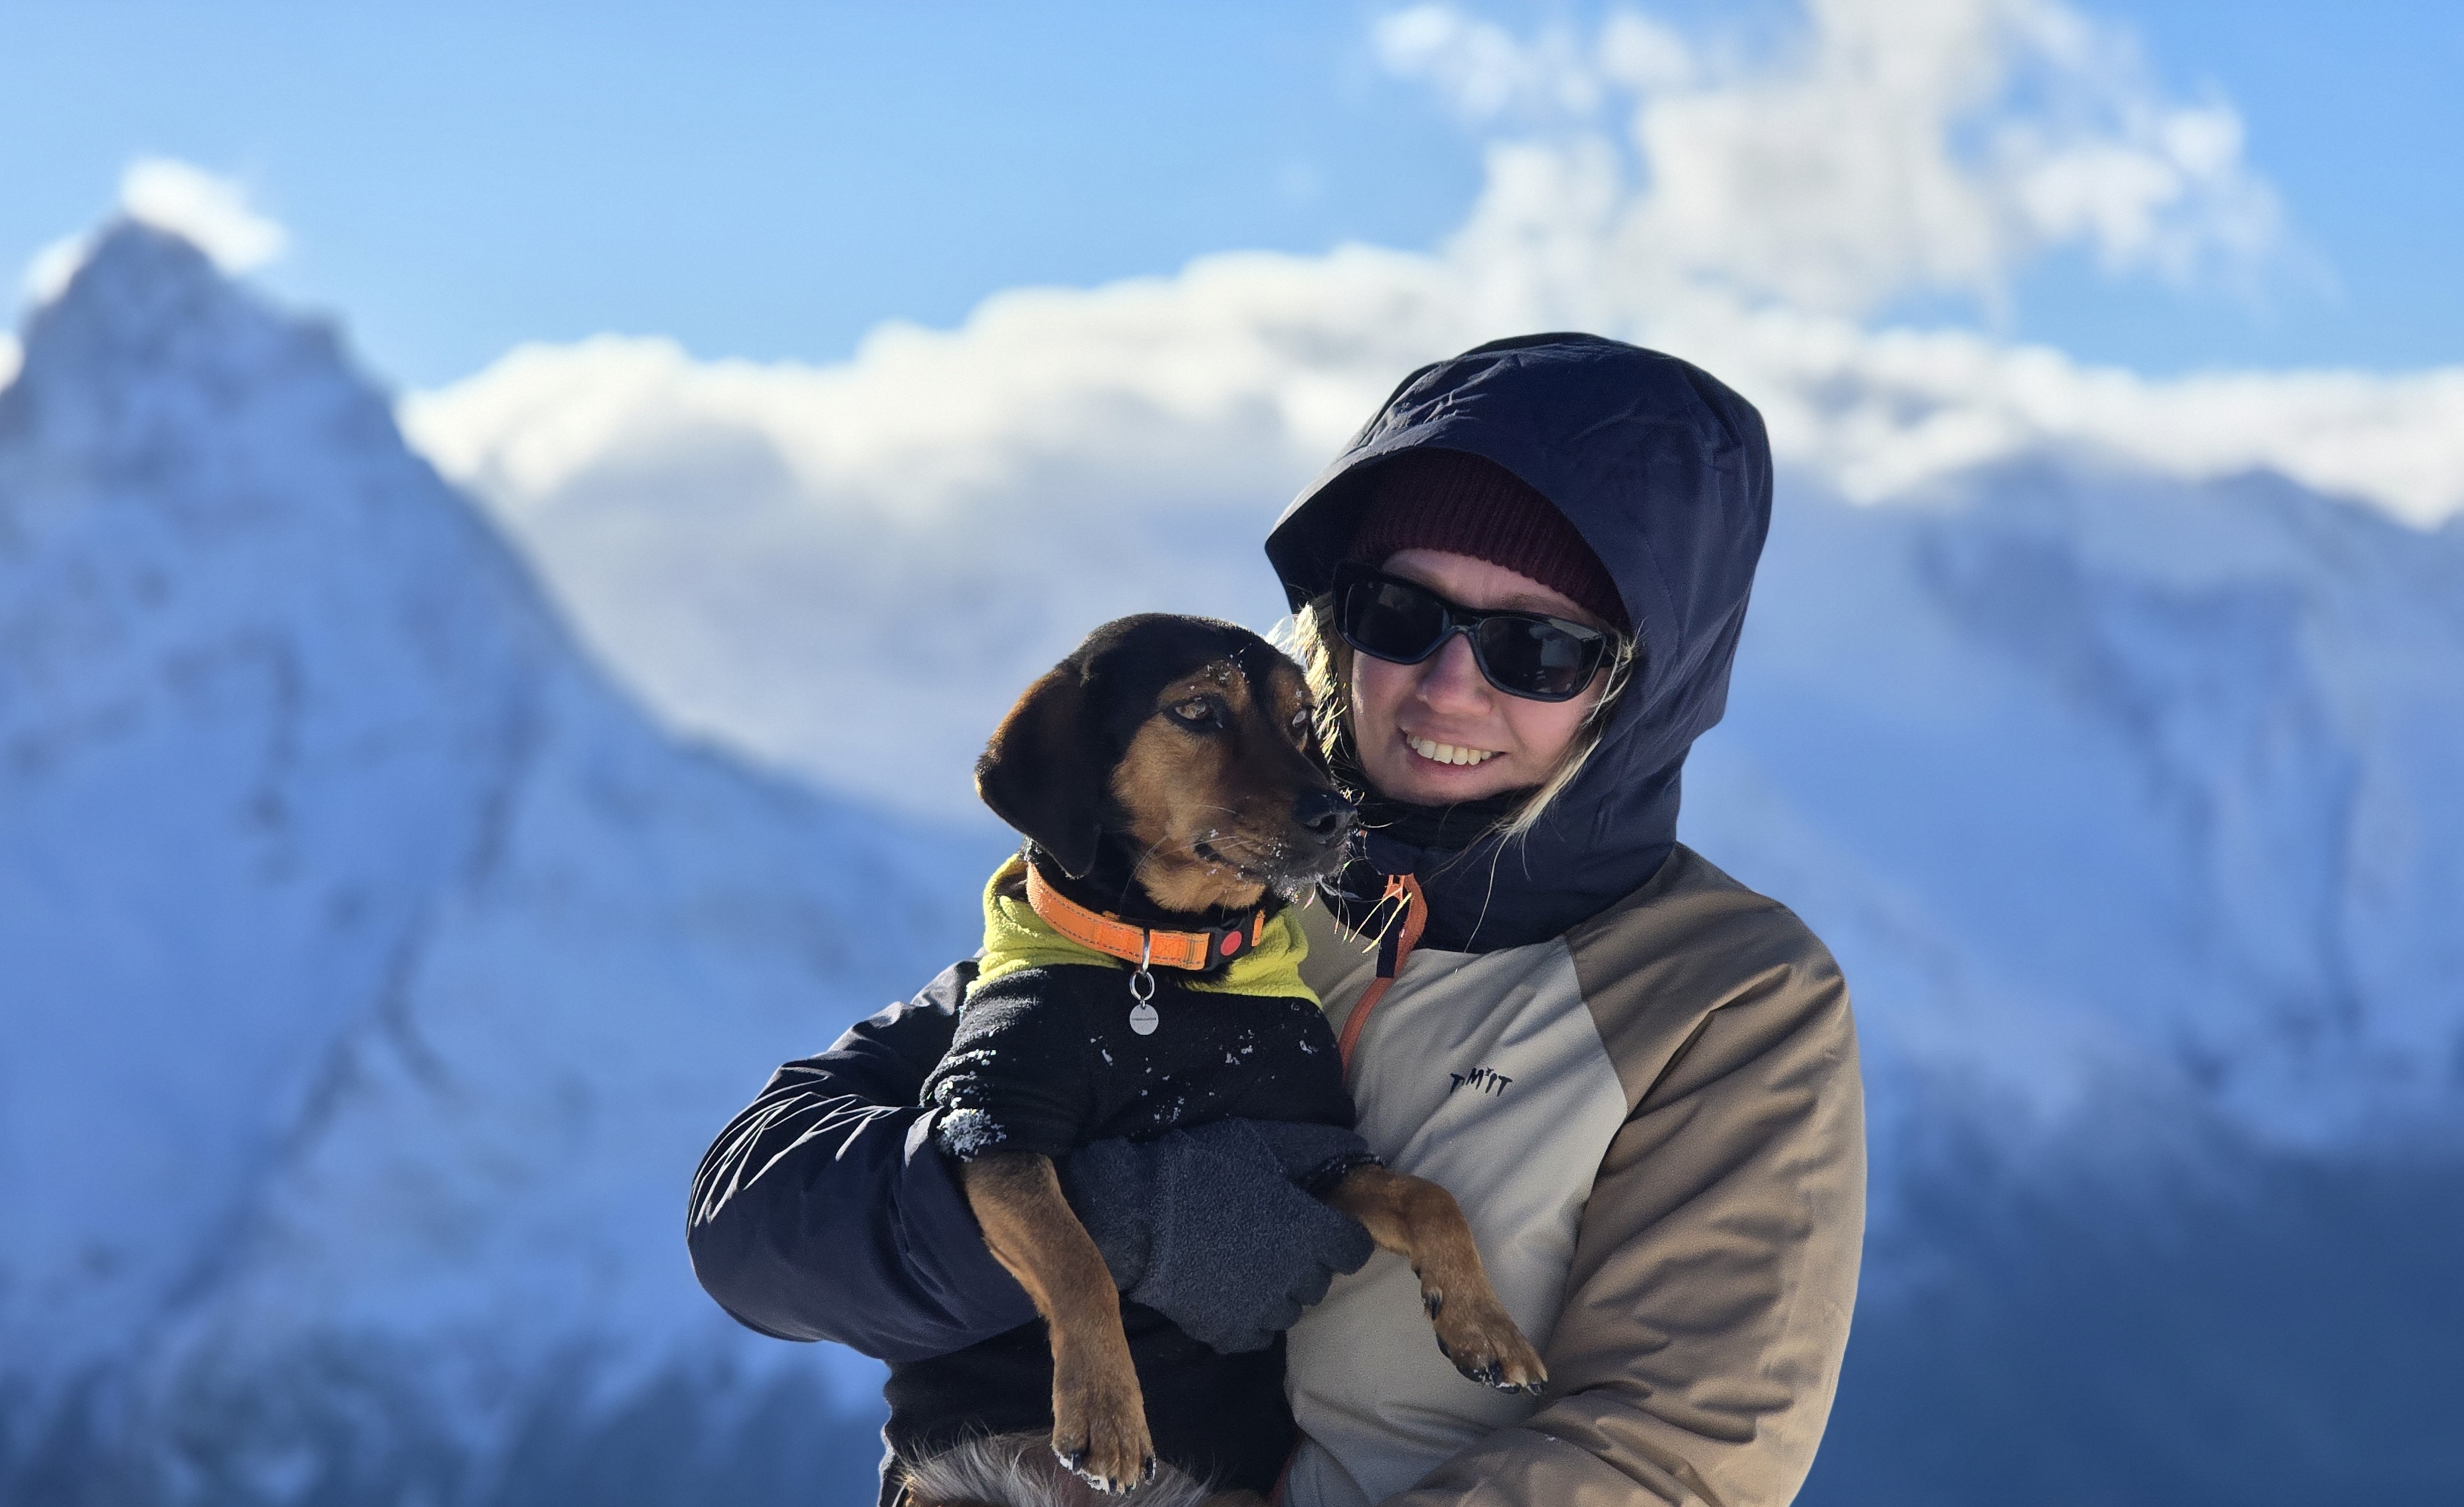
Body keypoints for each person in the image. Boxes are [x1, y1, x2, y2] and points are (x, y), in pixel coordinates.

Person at [689, 333, 1864, 1506]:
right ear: (1336, 623)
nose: (1450, 688)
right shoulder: (1179, 894)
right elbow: (753, 1225)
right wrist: (1110, 1217)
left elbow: (1672, 1456)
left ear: (1639, 689)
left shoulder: (1725, 997)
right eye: (1401, 614)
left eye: (1536, 649)